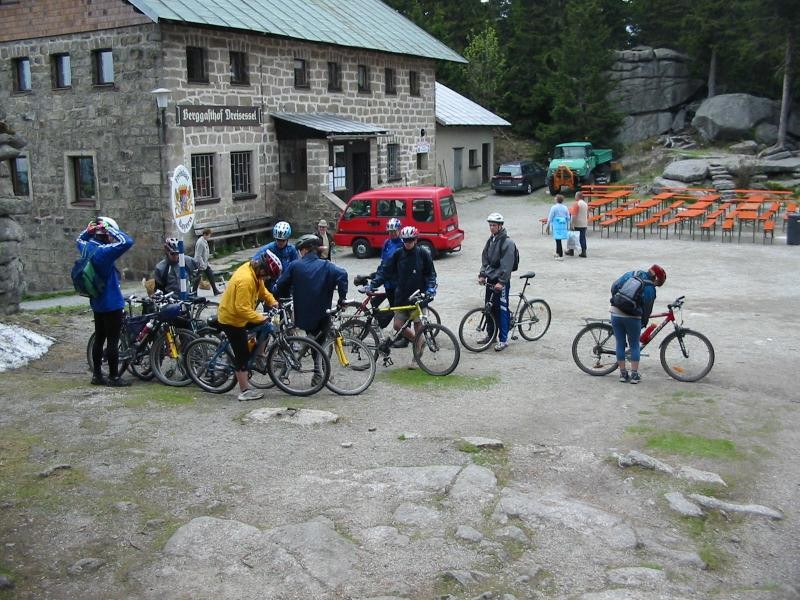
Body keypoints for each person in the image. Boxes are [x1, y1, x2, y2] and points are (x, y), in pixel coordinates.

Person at [274, 234, 348, 383]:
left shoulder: (295, 265)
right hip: (323, 312)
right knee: (319, 343)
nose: (300, 253)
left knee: (314, 341)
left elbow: (281, 285)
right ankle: (320, 373)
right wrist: (341, 298)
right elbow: (343, 275)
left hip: (303, 314)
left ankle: (319, 373)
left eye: (301, 250)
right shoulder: (326, 265)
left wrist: (282, 296)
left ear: (306, 250)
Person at [76, 216, 134, 387]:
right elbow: (127, 241)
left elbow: (79, 239)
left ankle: (97, 375)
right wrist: (112, 229)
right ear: (107, 234)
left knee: (100, 338)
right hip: (112, 302)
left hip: (97, 302)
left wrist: (89, 231)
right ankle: (114, 377)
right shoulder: (105, 252)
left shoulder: (87, 247)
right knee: (113, 341)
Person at [216, 250, 282, 401]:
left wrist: (273, 302)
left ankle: (258, 355)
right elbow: (242, 309)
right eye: (267, 275)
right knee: (242, 354)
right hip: (232, 319)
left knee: (267, 327)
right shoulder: (246, 279)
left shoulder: (254, 271)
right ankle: (244, 390)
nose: (266, 278)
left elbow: (262, 291)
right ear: (263, 269)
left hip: (241, 314)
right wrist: (260, 317)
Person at [369, 226, 437, 351]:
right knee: (397, 325)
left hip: (418, 297)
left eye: (411, 240)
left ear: (416, 240)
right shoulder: (398, 254)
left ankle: (417, 358)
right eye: (405, 240)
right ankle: (418, 342)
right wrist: (373, 284)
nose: (408, 243)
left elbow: (431, 274)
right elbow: (385, 271)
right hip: (401, 296)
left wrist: (431, 288)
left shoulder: (423, 254)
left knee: (418, 327)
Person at [609, 264, 666, 384]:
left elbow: (614, 287)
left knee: (620, 343)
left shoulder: (632, 274)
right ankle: (634, 375)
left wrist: (618, 302)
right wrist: (643, 323)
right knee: (634, 344)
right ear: (656, 279)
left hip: (616, 312)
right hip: (632, 317)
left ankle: (623, 374)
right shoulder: (650, 288)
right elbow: (646, 311)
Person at [478, 212, 517, 352]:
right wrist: (482, 274)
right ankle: (490, 334)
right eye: (490, 225)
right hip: (490, 279)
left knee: (501, 310)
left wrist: (501, 282)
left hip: (501, 282)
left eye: (494, 225)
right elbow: (485, 259)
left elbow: (507, 265)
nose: (491, 228)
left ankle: (503, 339)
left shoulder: (507, 243)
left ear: (500, 226)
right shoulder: (491, 240)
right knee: (489, 308)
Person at [373, 217, 406, 345]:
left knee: (399, 309)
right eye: (390, 231)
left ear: (399, 230)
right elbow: (383, 261)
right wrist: (377, 274)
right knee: (394, 307)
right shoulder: (387, 243)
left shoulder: (403, 244)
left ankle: (403, 337)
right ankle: (398, 331)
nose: (392, 233)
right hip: (388, 282)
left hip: (398, 282)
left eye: (394, 231)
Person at [253, 221, 299, 292]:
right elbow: (255, 261)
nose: (280, 242)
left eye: (283, 240)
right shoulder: (269, 248)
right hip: (270, 281)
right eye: (278, 240)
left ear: (287, 239)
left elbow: (296, 266)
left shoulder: (292, 250)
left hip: (286, 282)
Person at [191, 228, 221, 295]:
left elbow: (205, 253)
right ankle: (194, 293)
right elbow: (198, 255)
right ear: (205, 235)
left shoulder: (204, 241)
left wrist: (206, 263)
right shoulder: (200, 242)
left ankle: (215, 290)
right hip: (199, 264)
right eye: (209, 235)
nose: (209, 237)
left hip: (205, 263)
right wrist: (203, 265)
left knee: (210, 275)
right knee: (197, 278)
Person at [547, 194, 571, 260]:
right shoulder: (565, 207)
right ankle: (557, 253)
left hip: (556, 225)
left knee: (558, 240)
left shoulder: (554, 207)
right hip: (563, 226)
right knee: (559, 240)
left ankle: (560, 255)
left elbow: (550, 217)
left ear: (557, 199)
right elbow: (568, 217)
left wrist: (548, 225)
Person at [567, 191, 588, 258]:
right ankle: (583, 251)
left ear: (578, 196)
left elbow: (573, 215)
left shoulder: (576, 204)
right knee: (582, 238)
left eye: (575, 195)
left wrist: (571, 223)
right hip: (584, 223)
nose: (575, 197)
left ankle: (571, 251)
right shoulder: (585, 204)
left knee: (572, 237)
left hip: (577, 223)